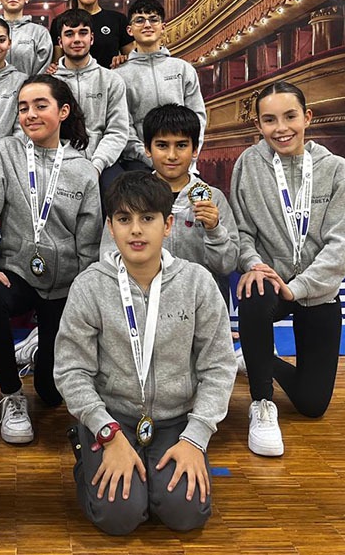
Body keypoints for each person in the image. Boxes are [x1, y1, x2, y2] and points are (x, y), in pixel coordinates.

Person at [54, 171, 236, 536]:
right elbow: (71, 371)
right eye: (124, 219)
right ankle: (88, 453)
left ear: (168, 225)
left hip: (175, 421)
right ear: (110, 227)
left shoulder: (197, 283)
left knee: (186, 514)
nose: (136, 230)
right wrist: (106, 432)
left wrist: (195, 437)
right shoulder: (89, 286)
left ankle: (155, 475)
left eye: (147, 218)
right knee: (118, 516)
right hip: (113, 418)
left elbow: (218, 366)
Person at [0, 74, 101, 445]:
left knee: (51, 394)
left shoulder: (84, 171)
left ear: (63, 111)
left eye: (40, 106)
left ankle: (41, 352)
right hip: (18, 273)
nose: (30, 114)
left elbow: (89, 246)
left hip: (65, 286)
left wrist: (86, 296)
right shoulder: (6, 153)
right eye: (23, 108)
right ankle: (11, 393)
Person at [230, 80, 345, 457]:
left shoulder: (337, 170)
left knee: (312, 405)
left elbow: (340, 245)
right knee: (252, 294)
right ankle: (261, 404)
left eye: (290, 117)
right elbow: (241, 232)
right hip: (271, 280)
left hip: (316, 290)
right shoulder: (248, 165)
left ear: (307, 117)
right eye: (269, 120)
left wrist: (299, 287)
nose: (281, 128)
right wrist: (253, 264)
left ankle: (256, 359)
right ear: (258, 124)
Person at [99, 103, 239, 308]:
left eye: (181, 145)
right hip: (142, 304)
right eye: (162, 145)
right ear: (147, 149)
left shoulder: (213, 199)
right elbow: (108, 257)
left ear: (195, 149)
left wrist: (214, 230)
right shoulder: (128, 196)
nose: (172, 155)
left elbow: (227, 265)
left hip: (199, 304)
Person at [113, 0, 206, 168]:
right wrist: (150, 158)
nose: (147, 25)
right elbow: (123, 126)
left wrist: (189, 158)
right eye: (139, 20)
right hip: (139, 164)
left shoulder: (183, 69)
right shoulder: (119, 76)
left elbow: (197, 117)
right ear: (130, 30)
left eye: (153, 19)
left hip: (182, 162)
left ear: (163, 27)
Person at [53, 8, 129, 182]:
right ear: (60, 42)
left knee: (119, 191)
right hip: (60, 161)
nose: (77, 39)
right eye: (69, 34)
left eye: (83, 33)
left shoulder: (111, 80)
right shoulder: (49, 83)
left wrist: (97, 165)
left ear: (92, 38)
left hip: (104, 162)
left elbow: (117, 131)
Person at [50, 0, 132, 69]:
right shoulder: (59, 22)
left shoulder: (118, 20)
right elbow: (57, 65)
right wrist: (52, 68)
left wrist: (123, 61)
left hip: (109, 79)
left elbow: (132, 61)